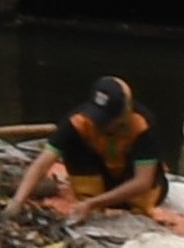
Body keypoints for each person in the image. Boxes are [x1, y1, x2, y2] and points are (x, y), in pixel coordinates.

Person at [11, 76, 165, 217]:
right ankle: (89, 198)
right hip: (102, 176)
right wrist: (17, 201)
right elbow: (42, 163)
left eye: (107, 120)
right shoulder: (79, 120)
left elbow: (143, 182)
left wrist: (93, 203)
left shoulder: (142, 125)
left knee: (141, 199)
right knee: (74, 146)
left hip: (132, 184)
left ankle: (103, 203)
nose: (99, 124)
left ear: (123, 115)